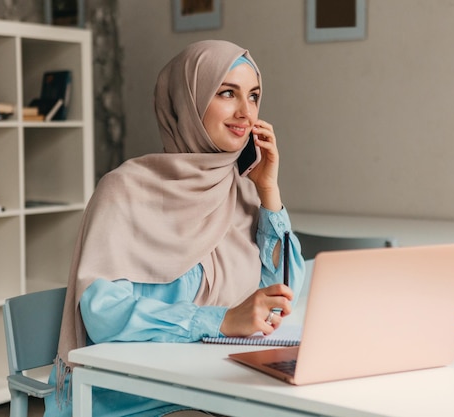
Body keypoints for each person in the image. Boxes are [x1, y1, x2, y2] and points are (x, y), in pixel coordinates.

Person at [44, 39, 305, 417]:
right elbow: (102, 313)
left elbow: (283, 294)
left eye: (254, 96)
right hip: (139, 397)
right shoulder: (125, 190)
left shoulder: (242, 193)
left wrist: (269, 193)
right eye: (228, 93)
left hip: (223, 384)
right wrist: (221, 320)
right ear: (189, 102)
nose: (245, 113)